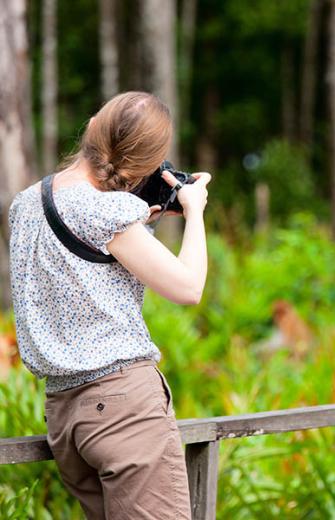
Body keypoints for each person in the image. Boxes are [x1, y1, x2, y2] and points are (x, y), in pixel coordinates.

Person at [8, 91, 211, 519]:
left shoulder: (24, 204)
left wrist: (142, 224)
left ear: (95, 124)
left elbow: (80, 271)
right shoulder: (108, 211)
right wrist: (194, 212)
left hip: (65, 417)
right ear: (144, 165)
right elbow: (189, 288)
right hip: (123, 409)